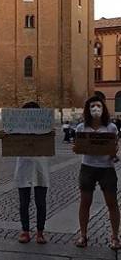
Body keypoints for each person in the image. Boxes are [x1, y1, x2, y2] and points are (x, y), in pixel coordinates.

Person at [73, 96, 120, 249]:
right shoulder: (81, 128)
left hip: (107, 168)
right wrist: (76, 148)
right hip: (87, 167)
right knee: (85, 203)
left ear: (103, 108)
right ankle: (83, 235)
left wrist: (114, 152)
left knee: (112, 203)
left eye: (98, 106)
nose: (95, 109)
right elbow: (78, 146)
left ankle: (115, 236)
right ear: (88, 109)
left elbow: (114, 148)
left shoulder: (111, 128)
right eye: (92, 106)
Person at [13, 101, 50, 244]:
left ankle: (40, 232)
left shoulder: (45, 128)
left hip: (41, 167)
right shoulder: (16, 128)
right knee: (24, 203)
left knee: (41, 202)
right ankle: (25, 230)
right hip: (23, 166)